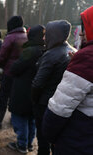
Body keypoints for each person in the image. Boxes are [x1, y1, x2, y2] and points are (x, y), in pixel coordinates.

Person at [42, 6, 93, 155]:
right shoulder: (76, 54)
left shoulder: (86, 58)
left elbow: (59, 108)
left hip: (78, 141)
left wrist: (49, 134)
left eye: (85, 26)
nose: (82, 33)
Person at [31, 20, 76, 155]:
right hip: (65, 104)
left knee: (43, 139)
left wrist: (34, 100)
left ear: (54, 35)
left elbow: (38, 83)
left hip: (45, 104)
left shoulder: (51, 54)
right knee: (58, 140)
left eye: (47, 34)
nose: (44, 38)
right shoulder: (73, 51)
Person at [7, 25, 46, 153]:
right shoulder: (45, 50)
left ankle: (22, 144)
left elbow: (16, 68)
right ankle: (29, 143)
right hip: (36, 91)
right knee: (31, 119)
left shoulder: (30, 50)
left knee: (20, 117)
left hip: (23, 90)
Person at [0, 16, 28, 129]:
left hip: (9, 72)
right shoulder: (26, 36)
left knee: (3, 96)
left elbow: (1, 56)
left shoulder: (10, 37)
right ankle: (13, 120)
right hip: (22, 72)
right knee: (15, 97)